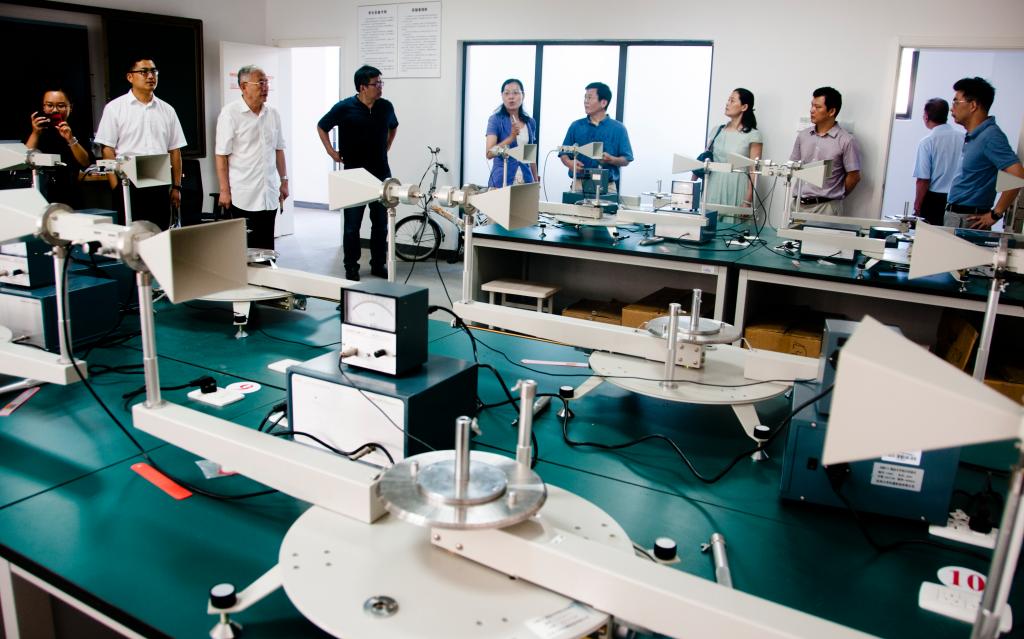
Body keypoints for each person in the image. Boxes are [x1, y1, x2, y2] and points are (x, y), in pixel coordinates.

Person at [317, 64, 398, 281]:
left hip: (381, 174)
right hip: (353, 175)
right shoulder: (344, 107)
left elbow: (393, 126)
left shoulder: (385, 107)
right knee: (352, 226)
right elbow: (322, 126)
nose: (380, 87)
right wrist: (331, 151)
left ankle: (378, 264)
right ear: (363, 87)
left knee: (380, 225)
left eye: (381, 82)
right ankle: (351, 266)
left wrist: (387, 146)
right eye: (376, 84)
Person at [94, 57, 186, 231]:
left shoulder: (167, 110)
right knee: (130, 236)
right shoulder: (115, 108)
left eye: (154, 71)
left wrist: (176, 187)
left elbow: (175, 150)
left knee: (159, 233)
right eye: (144, 72)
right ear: (130, 77)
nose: (150, 76)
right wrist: (115, 186)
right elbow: (107, 148)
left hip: (159, 183)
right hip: (128, 184)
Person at [215, 65, 288, 250]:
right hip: (244, 194)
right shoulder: (230, 114)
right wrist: (224, 190)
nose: (265, 87)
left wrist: (284, 181)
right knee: (246, 250)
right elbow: (221, 155)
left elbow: (279, 149)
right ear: (243, 86)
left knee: (267, 248)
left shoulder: (273, 113)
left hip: (269, 193)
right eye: (260, 83)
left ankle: (267, 270)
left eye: (266, 82)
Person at [943, 77, 1024, 230]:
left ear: (973, 105)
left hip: (968, 219)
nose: (951, 109)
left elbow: (1017, 174)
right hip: (958, 216)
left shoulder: (990, 136)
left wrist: (995, 214)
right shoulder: (975, 135)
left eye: (956, 102)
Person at [789, 86, 861, 215]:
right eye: (812, 105)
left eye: (818, 107)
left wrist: (835, 195)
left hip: (826, 207)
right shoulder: (803, 136)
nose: (812, 110)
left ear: (831, 111)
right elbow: (793, 166)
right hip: (798, 205)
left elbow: (854, 176)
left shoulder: (846, 140)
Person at [559, 82, 633, 192]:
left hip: (608, 186)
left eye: (589, 97)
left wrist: (612, 159)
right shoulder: (576, 126)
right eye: (585, 97)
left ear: (603, 103)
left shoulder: (618, 128)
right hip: (579, 185)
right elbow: (563, 152)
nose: (586, 101)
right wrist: (569, 163)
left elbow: (626, 159)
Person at [25, 89, 92, 208]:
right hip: (40, 190)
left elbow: (85, 162)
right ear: (43, 107)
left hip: (69, 191)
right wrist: (35, 133)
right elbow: (25, 160)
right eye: (50, 105)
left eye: (60, 106)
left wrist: (70, 139)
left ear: (70, 108)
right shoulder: (36, 127)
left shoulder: (77, 128)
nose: (55, 110)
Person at [703, 88, 763, 208]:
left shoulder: (753, 135)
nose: (727, 103)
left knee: (733, 219)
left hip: (737, 185)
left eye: (732, 100)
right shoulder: (717, 130)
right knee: (709, 218)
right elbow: (705, 159)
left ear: (744, 107)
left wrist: (748, 200)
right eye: (728, 100)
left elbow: (754, 171)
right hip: (713, 184)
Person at [912, 98, 964, 227]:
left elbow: (923, 180)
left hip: (934, 200)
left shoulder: (927, 142)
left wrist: (917, 205)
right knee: (952, 236)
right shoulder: (964, 138)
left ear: (926, 117)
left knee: (931, 237)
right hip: (959, 199)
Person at [485, 79, 538, 188]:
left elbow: (530, 156)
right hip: (502, 179)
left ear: (523, 95)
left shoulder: (530, 122)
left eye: (515, 92)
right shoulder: (495, 120)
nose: (511, 97)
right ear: (502, 96)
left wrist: (536, 182)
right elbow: (489, 153)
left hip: (526, 179)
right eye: (507, 93)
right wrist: (511, 137)